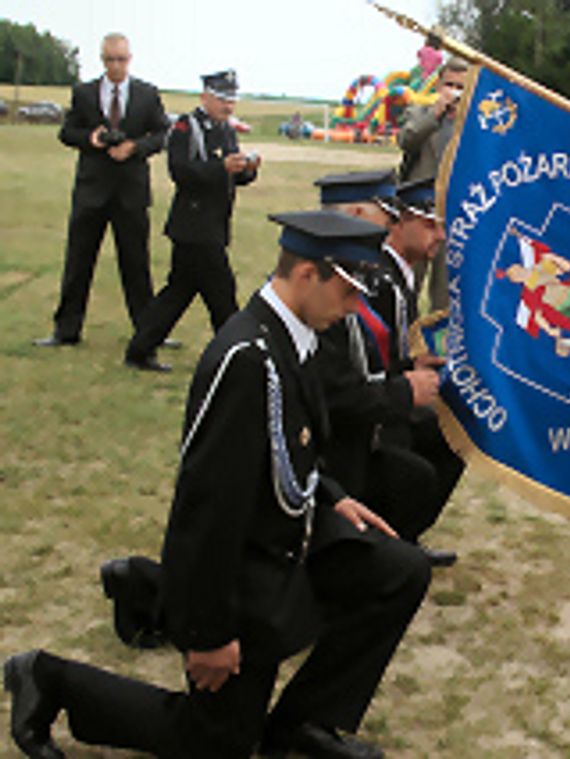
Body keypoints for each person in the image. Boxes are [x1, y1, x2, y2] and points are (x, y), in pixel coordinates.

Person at [4, 211, 430, 758]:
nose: (355, 307)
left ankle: (304, 723)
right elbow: (206, 508)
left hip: (286, 536)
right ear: (306, 274)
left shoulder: (293, 337)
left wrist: (332, 495)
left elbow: (290, 446)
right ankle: (48, 678)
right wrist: (208, 634)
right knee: (216, 742)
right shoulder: (247, 360)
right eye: (348, 292)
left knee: (399, 571)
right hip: (244, 567)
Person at [313, 171, 462, 564]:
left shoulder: (389, 276)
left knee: (452, 436)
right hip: (349, 431)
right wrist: (403, 387)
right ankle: (385, 547)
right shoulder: (361, 281)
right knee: (414, 474)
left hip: (369, 407)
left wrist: (410, 366)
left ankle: (396, 545)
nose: (391, 224)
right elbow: (344, 380)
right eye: (387, 215)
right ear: (360, 213)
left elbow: (373, 360)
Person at [35, 33, 168, 348]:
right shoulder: (84, 93)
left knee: (136, 264)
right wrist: (90, 139)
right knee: (78, 262)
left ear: (130, 59)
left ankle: (147, 332)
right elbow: (66, 132)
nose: (116, 66)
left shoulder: (146, 94)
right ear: (102, 59)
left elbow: (162, 134)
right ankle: (66, 331)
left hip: (131, 192)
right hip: (91, 191)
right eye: (110, 60)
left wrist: (134, 147)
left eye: (121, 60)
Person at [124, 70, 260, 372]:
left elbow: (232, 176)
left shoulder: (226, 130)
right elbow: (181, 172)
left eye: (232, 100)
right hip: (194, 227)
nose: (228, 106)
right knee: (222, 295)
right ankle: (236, 356)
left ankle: (140, 349)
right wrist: (220, 167)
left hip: (214, 225)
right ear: (205, 97)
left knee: (178, 292)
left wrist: (247, 169)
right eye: (223, 99)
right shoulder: (187, 127)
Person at [398, 57, 468, 313]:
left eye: (461, 86)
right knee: (408, 284)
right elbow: (406, 139)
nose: (454, 91)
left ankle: (438, 348)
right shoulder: (419, 113)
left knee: (444, 293)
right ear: (438, 84)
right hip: (416, 213)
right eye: (449, 84)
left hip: (452, 216)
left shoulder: (472, 124)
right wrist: (436, 113)